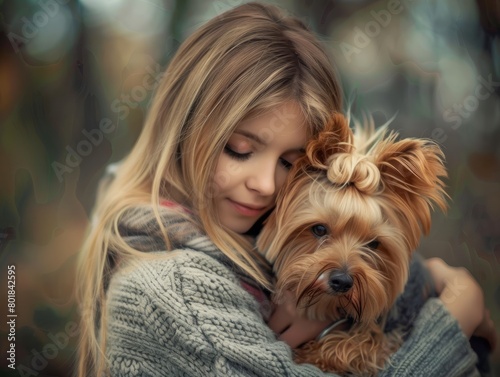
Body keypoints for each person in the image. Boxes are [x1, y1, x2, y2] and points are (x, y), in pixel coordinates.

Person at [74, 2, 495, 376]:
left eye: (290, 163)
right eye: (239, 149)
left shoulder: (243, 246)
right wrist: (455, 318)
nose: (262, 185)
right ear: (183, 130)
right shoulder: (170, 288)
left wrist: (424, 279)